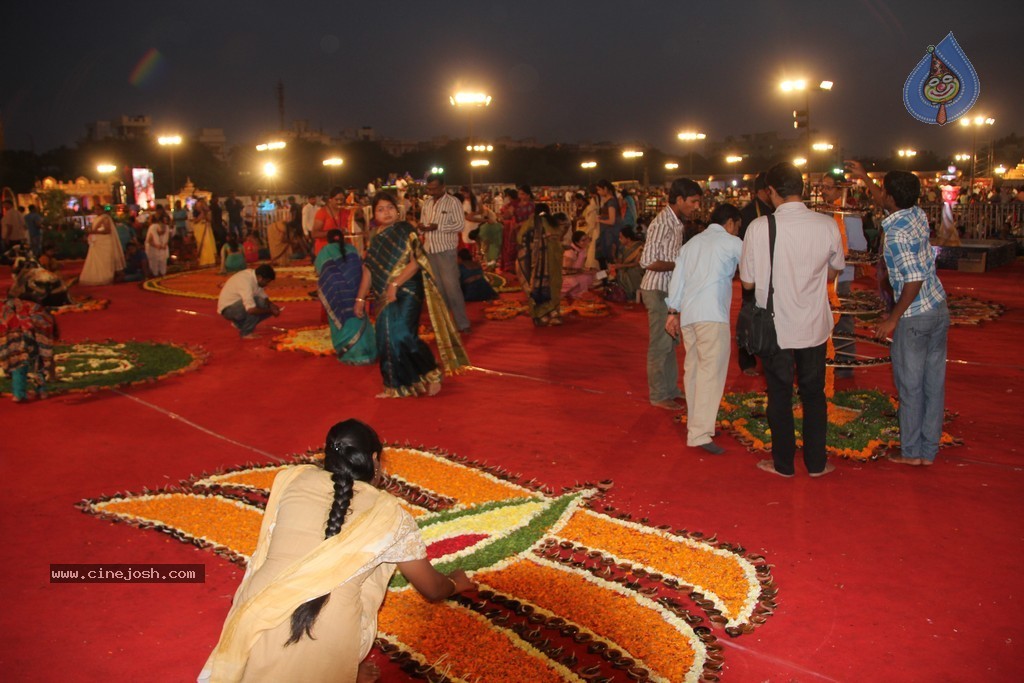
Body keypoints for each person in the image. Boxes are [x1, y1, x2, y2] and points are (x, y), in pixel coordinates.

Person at [199, 419, 476, 683]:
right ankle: (338, 664)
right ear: (375, 460)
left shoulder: (292, 480)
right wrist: (455, 583)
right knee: (370, 563)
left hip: (256, 617)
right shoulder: (388, 514)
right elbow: (431, 588)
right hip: (332, 637)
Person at [740, 162, 845, 478]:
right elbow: (834, 269)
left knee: (779, 394)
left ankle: (784, 464)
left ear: (771, 191)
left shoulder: (760, 228)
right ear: (802, 188)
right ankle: (816, 463)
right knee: (814, 395)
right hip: (813, 325)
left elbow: (747, 283)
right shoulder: (826, 224)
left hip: (775, 328)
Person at [848, 162, 949, 467]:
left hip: (915, 316)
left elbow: (913, 279)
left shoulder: (895, 234)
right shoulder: (916, 214)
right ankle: (928, 450)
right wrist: (865, 177)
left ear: (892, 198)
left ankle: (911, 452)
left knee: (910, 386)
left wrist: (892, 318)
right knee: (933, 384)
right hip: (938, 308)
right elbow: (884, 200)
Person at [355, 193, 469, 398]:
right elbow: (368, 269)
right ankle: (397, 386)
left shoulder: (406, 230)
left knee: (403, 334)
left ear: (397, 210)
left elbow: (417, 261)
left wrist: (395, 284)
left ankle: (432, 372)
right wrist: (360, 298)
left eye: (390, 207)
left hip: (407, 288)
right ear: (374, 214)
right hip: (382, 292)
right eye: (380, 209)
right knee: (386, 338)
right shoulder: (374, 235)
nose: (386, 212)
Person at [665, 203, 744, 454]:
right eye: (737, 227)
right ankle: (700, 433)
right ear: (730, 223)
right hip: (712, 316)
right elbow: (754, 267)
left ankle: (699, 426)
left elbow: (678, 279)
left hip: (689, 314)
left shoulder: (691, 245)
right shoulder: (731, 242)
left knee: (695, 371)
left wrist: (672, 312)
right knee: (711, 374)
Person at [640, 178, 702, 410]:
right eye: (693, 201)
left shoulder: (676, 222)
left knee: (671, 343)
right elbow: (647, 261)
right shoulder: (663, 223)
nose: (696, 206)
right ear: (679, 199)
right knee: (660, 345)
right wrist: (679, 265)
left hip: (669, 291)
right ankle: (658, 395)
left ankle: (671, 389)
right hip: (657, 290)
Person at [819, 171, 868, 378]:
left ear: (841, 190)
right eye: (822, 187)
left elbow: (860, 246)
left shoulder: (849, 215)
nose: (823, 191)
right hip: (821, 277)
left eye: (828, 187)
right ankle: (824, 362)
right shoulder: (822, 213)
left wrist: (837, 254)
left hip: (842, 278)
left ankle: (845, 364)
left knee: (843, 322)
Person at [314, 229, 377, 365]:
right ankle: (367, 352)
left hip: (336, 292)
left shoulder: (325, 251)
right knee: (357, 315)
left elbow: (320, 272)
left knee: (342, 318)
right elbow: (359, 270)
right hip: (355, 290)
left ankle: (350, 355)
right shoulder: (352, 249)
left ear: (328, 239)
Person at [418, 174, 470, 333]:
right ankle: (445, 324)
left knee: (452, 287)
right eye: (429, 189)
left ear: (443, 187)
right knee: (438, 289)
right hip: (430, 249)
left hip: (446, 250)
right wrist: (422, 227)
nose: (431, 191)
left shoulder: (453, 202)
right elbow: (423, 223)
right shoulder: (426, 203)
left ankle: (462, 323)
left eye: (434, 188)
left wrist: (438, 227)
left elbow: (460, 225)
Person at [735, 172, 773, 376]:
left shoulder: (777, 210)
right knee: (748, 316)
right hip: (752, 273)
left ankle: (770, 357)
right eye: (768, 190)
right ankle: (747, 361)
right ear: (760, 191)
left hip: (773, 273)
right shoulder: (747, 213)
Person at [0, 271, 57, 403]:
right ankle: (42, 391)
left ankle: (18, 395)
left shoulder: (8, 305)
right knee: (38, 363)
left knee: (18, 366)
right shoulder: (35, 306)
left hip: (13, 338)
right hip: (32, 338)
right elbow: (45, 322)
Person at [517, 205, 566, 325]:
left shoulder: (531, 222)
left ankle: (539, 314)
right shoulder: (552, 222)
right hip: (553, 260)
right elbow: (560, 235)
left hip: (536, 262)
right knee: (554, 285)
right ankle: (553, 312)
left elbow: (520, 239)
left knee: (536, 286)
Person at [216, 264, 281, 339]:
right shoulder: (246, 282)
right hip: (228, 309)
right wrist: (270, 310)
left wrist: (271, 305)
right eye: (266, 281)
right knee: (258, 303)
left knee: (265, 304)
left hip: (237, 306)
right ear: (260, 278)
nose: (267, 284)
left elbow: (261, 294)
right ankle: (246, 332)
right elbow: (251, 310)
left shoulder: (254, 277)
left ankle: (240, 324)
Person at [79, 202, 127, 286]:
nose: (97, 211)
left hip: (104, 243)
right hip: (97, 243)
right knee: (96, 260)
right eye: (95, 210)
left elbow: (107, 230)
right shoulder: (96, 219)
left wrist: (94, 231)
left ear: (102, 210)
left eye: (98, 209)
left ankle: (107, 277)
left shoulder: (105, 218)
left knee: (105, 261)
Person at [608, 226, 643, 302]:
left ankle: (632, 295)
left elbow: (637, 263)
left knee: (632, 271)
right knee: (619, 272)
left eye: (621, 237)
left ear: (628, 239)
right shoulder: (622, 248)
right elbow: (619, 262)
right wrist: (613, 256)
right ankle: (626, 295)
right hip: (625, 268)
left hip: (637, 268)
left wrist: (622, 266)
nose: (619, 239)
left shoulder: (639, 247)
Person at [594, 180, 622, 269]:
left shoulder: (611, 202)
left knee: (606, 257)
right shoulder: (608, 201)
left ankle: (608, 279)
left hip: (609, 234)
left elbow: (612, 220)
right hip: (606, 233)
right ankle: (606, 279)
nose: (598, 192)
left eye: (599, 190)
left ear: (605, 189)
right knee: (602, 258)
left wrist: (599, 220)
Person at [560, 230, 595, 301]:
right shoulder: (571, 252)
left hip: (577, 273)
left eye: (586, 239)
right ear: (576, 242)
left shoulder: (582, 250)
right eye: (583, 240)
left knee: (597, 274)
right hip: (568, 277)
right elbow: (566, 270)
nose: (586, 242)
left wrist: (589, 269)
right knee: (585, 278)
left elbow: (580, 266)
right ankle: (576, 294)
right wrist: (583, 271)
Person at [145, 210, 171, 277]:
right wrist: (156, 246)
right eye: (164, 220)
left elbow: (167, 238)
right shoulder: (153, 227)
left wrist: (164, 245)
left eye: (167, 220)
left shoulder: (167, 227)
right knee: (154, 267)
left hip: (163, 249)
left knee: (163, 265)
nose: (166, 222)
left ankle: (163, 277)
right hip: (153, 249)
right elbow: (149, 241)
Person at [191, 198, 217, 267]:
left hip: (206, 229)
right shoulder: (195, 212)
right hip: (199, 229)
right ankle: (203, 261)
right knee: (202, 244)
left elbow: (209, 219)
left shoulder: (207, 212)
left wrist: (206, 213)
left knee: (208, 244)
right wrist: (201, 214)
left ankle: (210, 260)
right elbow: (195, 221)